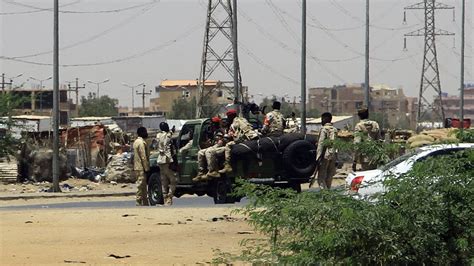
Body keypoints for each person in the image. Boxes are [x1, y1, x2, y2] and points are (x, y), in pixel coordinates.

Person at [219, 109, 258, 174]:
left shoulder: (233, 124)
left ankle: (227, 165)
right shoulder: (243, 120)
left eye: (228, 117)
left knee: (228, 146)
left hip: (241, 141)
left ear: (231, 117)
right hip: (250, 139)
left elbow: (229, 136)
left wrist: (225, 136)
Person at [193, 117, 226, 182]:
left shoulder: (219, 131)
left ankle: (213, 171)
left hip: (221, 146)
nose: (211, 125)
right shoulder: (213, 131)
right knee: (200, 152)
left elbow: (219, 143)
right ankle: (201, 172)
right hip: (215, 146)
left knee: (209, 151)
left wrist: (210, 145)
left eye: (212, 124)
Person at [156, 122, 176, 206]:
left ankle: (165, 199)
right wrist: (171, 159)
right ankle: (169, 197)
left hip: (160, 160)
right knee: (173, 180)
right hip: (166, 160)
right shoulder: (167, 136)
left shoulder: (158, 135)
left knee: (164, 181)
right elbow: (167, 147)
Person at [316, 112, 337, 189]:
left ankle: (325, 195)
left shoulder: (324, 129)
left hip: (325, 156)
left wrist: (318, 157)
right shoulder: (334, 130)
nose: (321, 121)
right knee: (329, 177)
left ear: (325, 119)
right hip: (333, 155)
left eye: (322, 119)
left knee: (321, 179)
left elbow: (321, 144)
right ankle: (328, 194)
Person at [133, 127, 150, 206]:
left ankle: (145, 203)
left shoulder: (136, 141)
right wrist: (146, 168)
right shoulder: (141, 143)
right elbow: (143, 156)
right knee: (140, 186)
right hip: (141, 167)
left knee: (143, 186)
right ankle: (138, 202)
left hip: (137, 167)